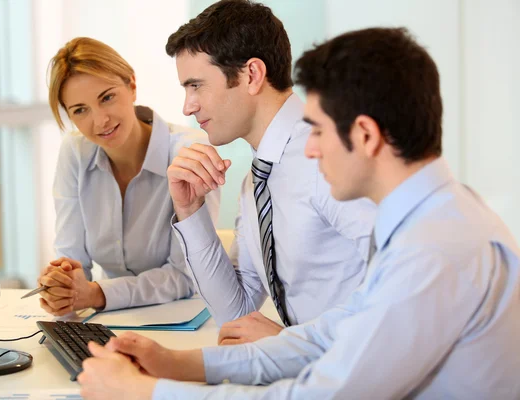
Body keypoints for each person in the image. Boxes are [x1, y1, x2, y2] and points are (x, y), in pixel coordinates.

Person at [76, 27, 520, 399]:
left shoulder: (434, 250)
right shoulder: (432, 222)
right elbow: (335, 332)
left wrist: (147, 393)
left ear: (364, 136)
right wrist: (180, 363)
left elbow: (320, 395)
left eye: (320, 130)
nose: (310, 147)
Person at [165, 0, 375, 344]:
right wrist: (190, 211)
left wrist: (295, 343)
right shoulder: (257, 179)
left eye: (196, 85)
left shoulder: (328, 155)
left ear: (252, 75)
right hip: (313, 373)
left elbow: (405, 287)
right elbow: (236, 315)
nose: (188, 106)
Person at [37, 37, 220, 316]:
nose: (100, 121)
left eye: (107, 97)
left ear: (132, 85)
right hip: (111, 319)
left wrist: (97, 294)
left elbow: (185, 276)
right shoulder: (74, 153)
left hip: (181, 317)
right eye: (80, 110)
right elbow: (73, 259)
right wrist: (62, 286)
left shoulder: (188, 153)